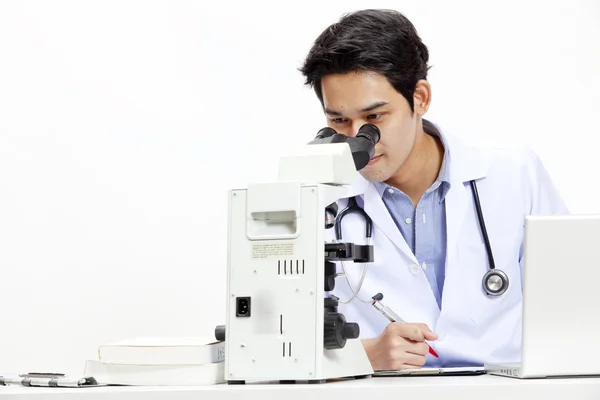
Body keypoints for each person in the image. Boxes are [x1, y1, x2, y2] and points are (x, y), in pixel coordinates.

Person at [299, 9, 568, 371]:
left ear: (420, 98)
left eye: (374, 118)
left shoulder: (514, 175)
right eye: (338, 120)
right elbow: (275, 345)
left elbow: (575, 308)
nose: (355, 140)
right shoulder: (314, 195)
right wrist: (363, 355)